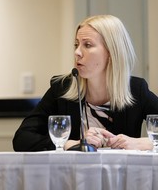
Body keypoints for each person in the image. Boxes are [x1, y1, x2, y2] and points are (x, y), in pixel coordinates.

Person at [13, 14, 158, 152]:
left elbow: (142, 142)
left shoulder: (136, 89)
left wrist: (141, 142)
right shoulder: (62, 88)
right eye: (76, 44)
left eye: (87, 45)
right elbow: (22, 138)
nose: (77, 52)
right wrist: (72, 144)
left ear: (112, 53)